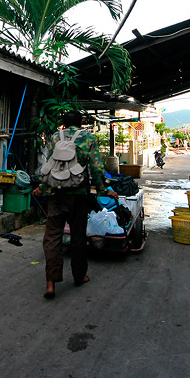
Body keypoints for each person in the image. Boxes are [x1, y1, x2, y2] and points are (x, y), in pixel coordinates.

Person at [32, 111, 117, 300]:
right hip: (79, 195)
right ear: (81, 123)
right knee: (78, 237)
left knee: (52, 237)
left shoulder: (55, 137)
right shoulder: (88, 138)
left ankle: (51, 282)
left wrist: (41, 187)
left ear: (63, 123)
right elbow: (96, 167)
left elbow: (51, 166)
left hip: (56, 195)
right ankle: (79, 276)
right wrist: (104, 190)